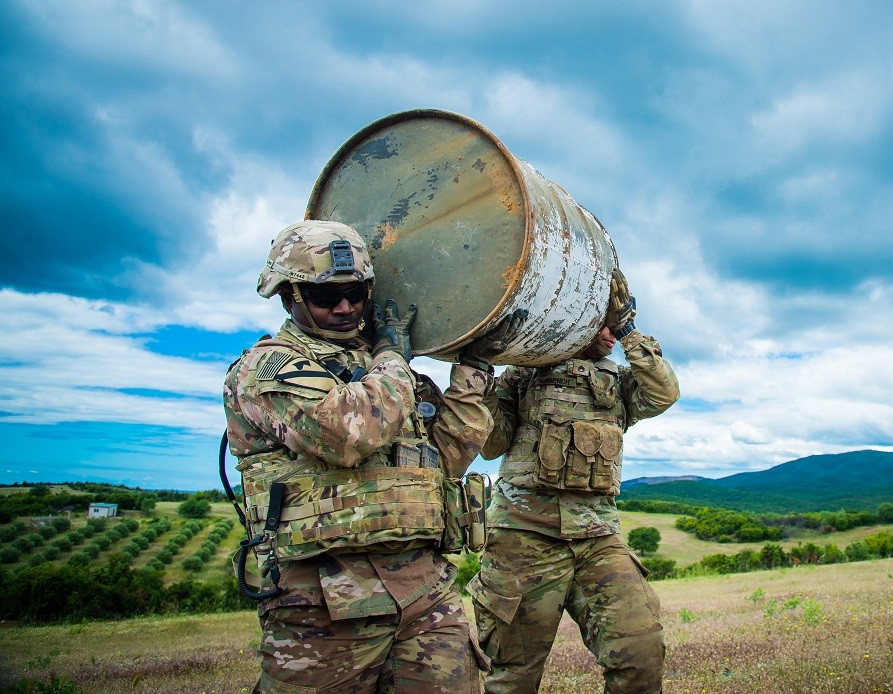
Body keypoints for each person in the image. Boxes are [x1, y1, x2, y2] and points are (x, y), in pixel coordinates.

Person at [224, 219, 523, 694]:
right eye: (325, 297)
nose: (345, 307)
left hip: (425, 592)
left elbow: (445, 459)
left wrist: (473, 371)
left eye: (356, 293)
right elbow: (348, 432)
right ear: (289, 298)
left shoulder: (389, 373)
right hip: (323, 606)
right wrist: (393, 358)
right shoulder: (269, 367)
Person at [469, 270, 681, 694]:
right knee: (512, 676)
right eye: (600, 322)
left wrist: (629, 331)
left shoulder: (618, 382)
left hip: (598, 536)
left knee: (641, 652)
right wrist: (482, 375)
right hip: (523, 537)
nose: (608, 332)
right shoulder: (523, 375)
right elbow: (492, 445)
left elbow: (664, 393)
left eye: (612, 323)